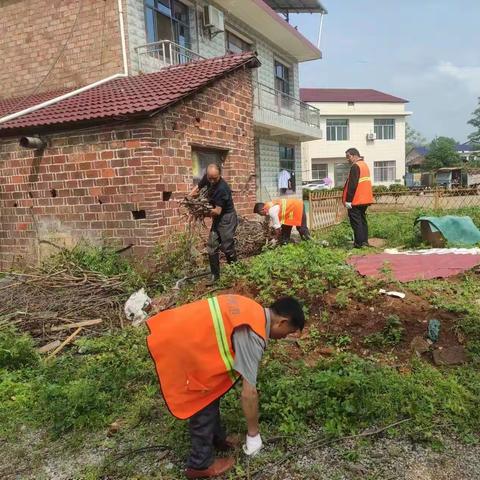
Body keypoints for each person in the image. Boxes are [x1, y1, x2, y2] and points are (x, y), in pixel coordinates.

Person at [146, 294, 305, 479]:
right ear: (282, 322)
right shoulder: (252, 333)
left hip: (182, 333)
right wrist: (254, 435)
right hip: (183, 345)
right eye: (288, 332)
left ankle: (217, 438)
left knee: (212, 389)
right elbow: (249, 393)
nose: (285, 337)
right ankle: (200, 464)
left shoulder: (250, 308)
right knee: (202, 397)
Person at [189, 164, 237, 284]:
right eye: (210, 178)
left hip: (226, 218)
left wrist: (201, 210)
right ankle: (215, 276)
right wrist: (189, 198)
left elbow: (217, 211)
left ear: (220, 175)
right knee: (211, 246)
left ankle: (235, 272)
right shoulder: (208, 177)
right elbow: (198, 187)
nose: (211, 181)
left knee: (227, 247)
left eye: (214, 178)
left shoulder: (222, 188)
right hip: (218, 218)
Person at [343, 148, 374, 248]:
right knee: (362, 220)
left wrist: (348, 200)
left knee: (356, 222)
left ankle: (359, 243)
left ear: (354, 155)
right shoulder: (364, 165)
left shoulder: (355, 166)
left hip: (356, 200)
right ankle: (364, 241)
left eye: (348, 157)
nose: (347, 159)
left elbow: (352, 185)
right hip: (365, 199)